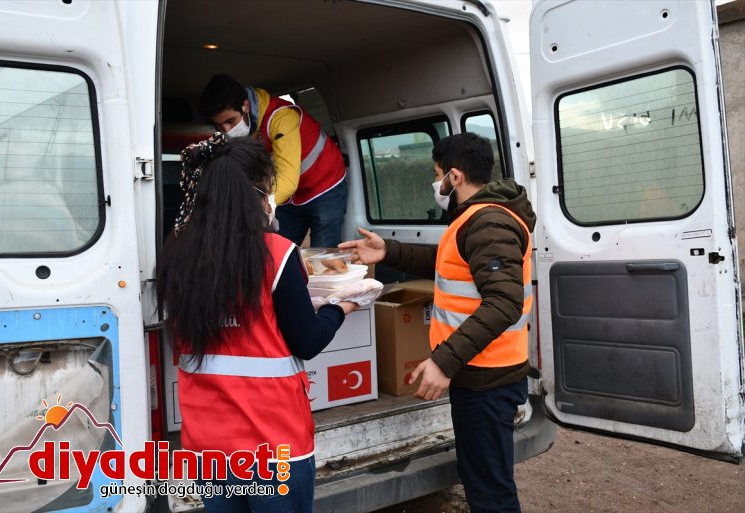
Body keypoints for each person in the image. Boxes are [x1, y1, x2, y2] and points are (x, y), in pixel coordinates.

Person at [156, 134, 358, 513]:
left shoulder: (176, 256)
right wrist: (340, 307)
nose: (272, 200)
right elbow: (307, 341)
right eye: (269, 190)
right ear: (255, 193)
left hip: (209, 445)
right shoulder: (277, 254)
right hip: (273, 443)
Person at [339, 133, 535, 513]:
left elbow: (504, 302)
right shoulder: (478, 218)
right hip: (480, 373)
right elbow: (451, 262)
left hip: (486, 378)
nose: (436, 184)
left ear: (455, 177)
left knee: (491, 492)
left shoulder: (488, 221)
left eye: (437, 175)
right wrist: (389, 251)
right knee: (482, 479)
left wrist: (444, 360)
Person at [199, 74, 347, 247]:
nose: (227, 130)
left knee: (323, 254)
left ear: (245, 105)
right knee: (276, 251)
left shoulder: (281, 117)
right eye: (220, 126)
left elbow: (287, 180)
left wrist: (253, 207)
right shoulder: (246, 128)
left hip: (325, 185)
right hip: (289, 195)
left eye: (230, 121)